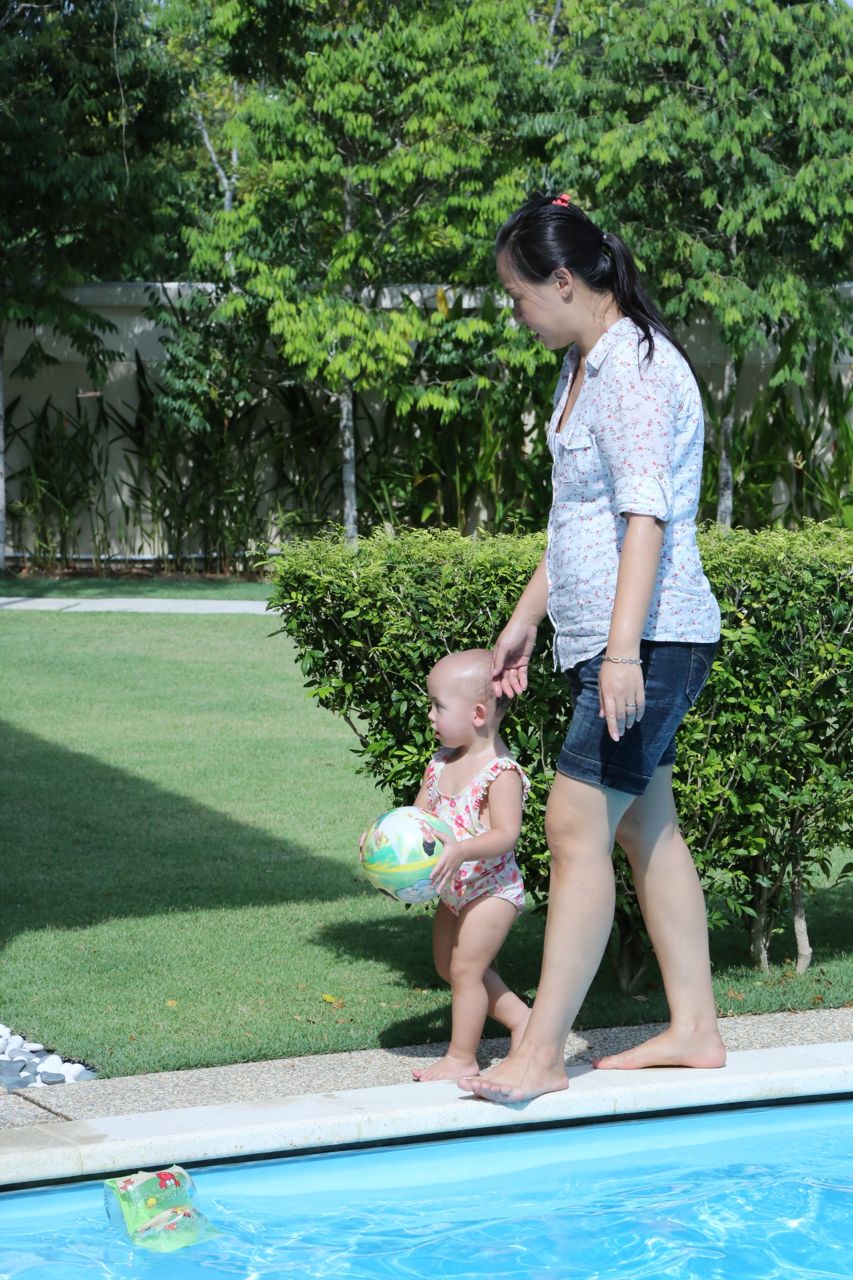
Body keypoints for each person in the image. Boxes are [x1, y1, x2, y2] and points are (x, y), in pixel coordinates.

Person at [459, 193, 724, 1103]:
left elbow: (644, 517)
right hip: (613, 637)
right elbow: (578, 518)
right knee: (647, 826)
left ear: (564, 280)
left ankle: (539, 1053)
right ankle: (694, 1028)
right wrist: (527, 617)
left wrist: (618, 656)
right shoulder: (582, 368)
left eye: (518, 294)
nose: (516, 312)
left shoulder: (637, 369)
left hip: (648, 639)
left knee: (573, 828)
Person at [408, 648, 531, 1082]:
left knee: (466, 970)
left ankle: (462, 1057)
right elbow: (417, 819)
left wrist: (461, 848)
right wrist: (383, 838)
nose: (430, 715)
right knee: (448, 967)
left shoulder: (500, 772)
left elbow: (506, 834)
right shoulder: (440, 764)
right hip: (454, 891)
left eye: (438, 706)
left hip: (492, 890)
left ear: (478, 714)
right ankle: (522, 1020)